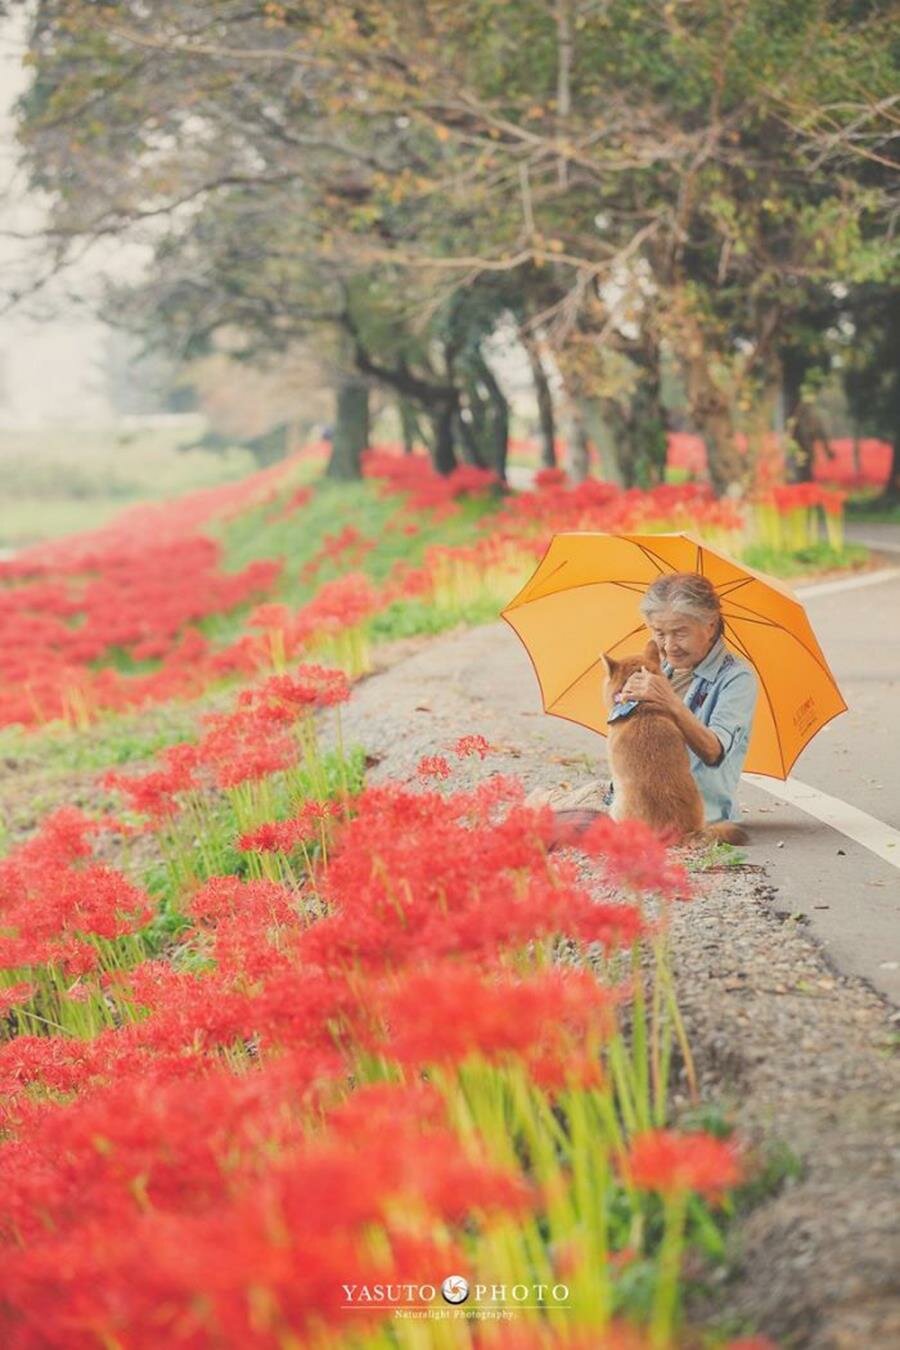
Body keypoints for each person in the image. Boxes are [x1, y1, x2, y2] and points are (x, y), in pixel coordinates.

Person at [606, 571, 759, 826]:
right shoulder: (660, 667)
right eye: (659, 632)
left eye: (680, 633)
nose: (668, 646)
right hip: (643, 800)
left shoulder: (736, 678)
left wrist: (671, 703)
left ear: (710, 626)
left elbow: (713, 752)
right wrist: (623, 701)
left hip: (695, 814)